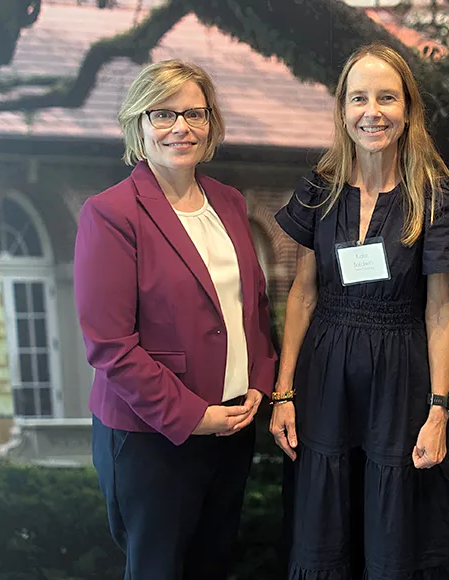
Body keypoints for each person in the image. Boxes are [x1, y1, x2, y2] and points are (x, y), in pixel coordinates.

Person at [74, 60, 276, 580]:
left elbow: (251, 307)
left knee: (213, 564)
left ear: (211, 123)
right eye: (163, 114)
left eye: (194, 113)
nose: (181, 127)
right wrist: (193, 416)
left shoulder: (229, 202)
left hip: (232, 424)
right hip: (153, 437)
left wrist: (259, 383)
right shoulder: (111, 213)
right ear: (137, 124)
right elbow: (111, 347)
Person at [270, 43, 449, 579]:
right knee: (325, 526)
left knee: (391, 526)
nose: (371, 111)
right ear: (342, 110)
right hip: (325, 377)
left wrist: (439, 409)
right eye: (359, 98)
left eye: (386, 97)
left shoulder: (433, 195)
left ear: (408, 110)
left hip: (400, 379)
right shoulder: (319, 188)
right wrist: (283, 394)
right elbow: (303, 293)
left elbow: (441, 310)